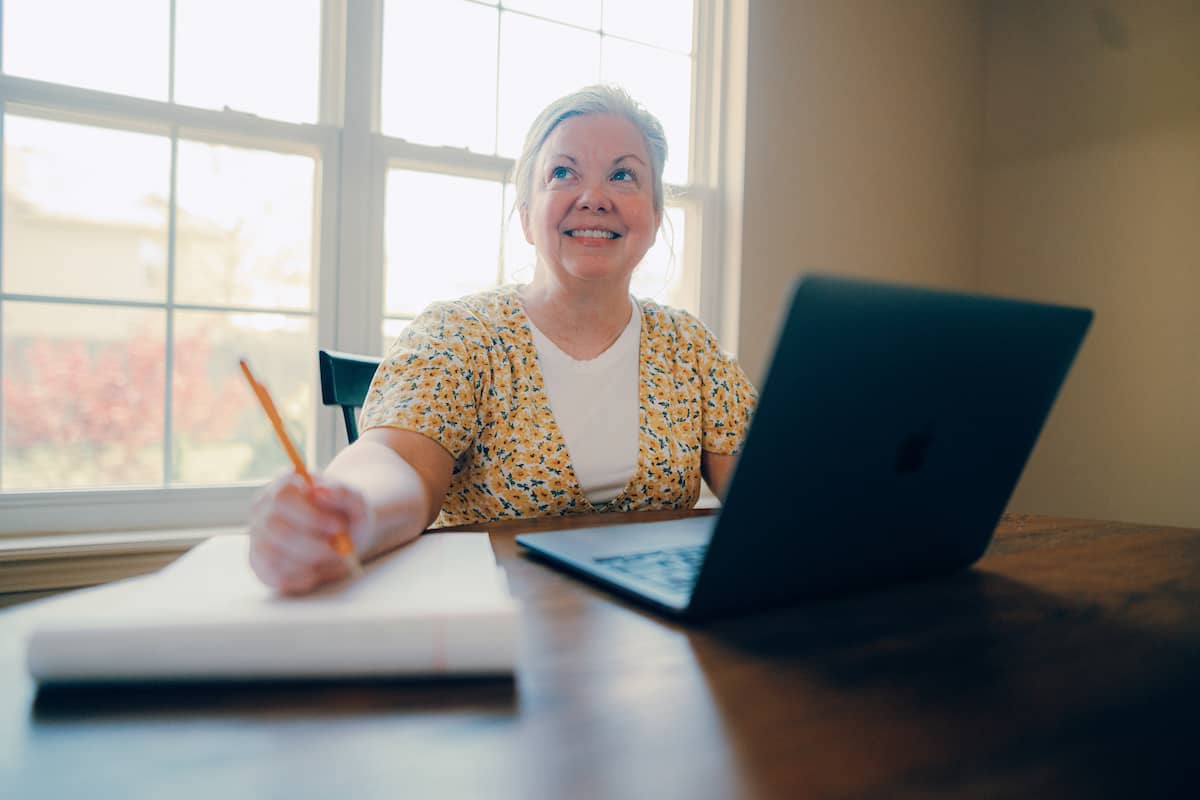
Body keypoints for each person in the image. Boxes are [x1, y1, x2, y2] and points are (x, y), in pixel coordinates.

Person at [248, 86, 757, 593]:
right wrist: (348, 505)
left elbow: (769, 495)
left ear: (654, 218)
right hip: (491, 633)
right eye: (563, 173)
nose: (595, 198)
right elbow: (395, 461)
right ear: (526, 217)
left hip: (660, 639)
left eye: (623, 175)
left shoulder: (691, 348)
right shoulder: (460, 335)